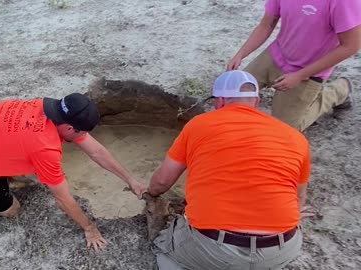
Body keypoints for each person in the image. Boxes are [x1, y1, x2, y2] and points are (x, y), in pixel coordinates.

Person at [147, 70, 311, 269]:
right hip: (282, 248)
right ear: (256, 102)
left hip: (215, 248)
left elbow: (163, 181)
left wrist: (151, 193)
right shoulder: (295, 137)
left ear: (221, 101)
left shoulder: (198, 125)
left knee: (164, 247)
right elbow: (298, 196)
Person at [0, 93, 145, 251]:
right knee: (10, 210)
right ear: (69, 127)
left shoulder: (48, 108)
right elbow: (63, 199)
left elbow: (97, 151)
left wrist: (131, 180)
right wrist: (89, 228)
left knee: (19, 157)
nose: (85, 137)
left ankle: (2, 174)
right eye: (82, 132)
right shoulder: (45, 149)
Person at [227, 0, 361, 132]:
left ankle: (338, 91)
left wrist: (300, 75)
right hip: (276, 54)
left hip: (308, 71)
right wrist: (241, 54)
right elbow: (267, 24)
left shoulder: (344, 2)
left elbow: (351, 46)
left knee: (285, 131)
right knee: (231, 95)